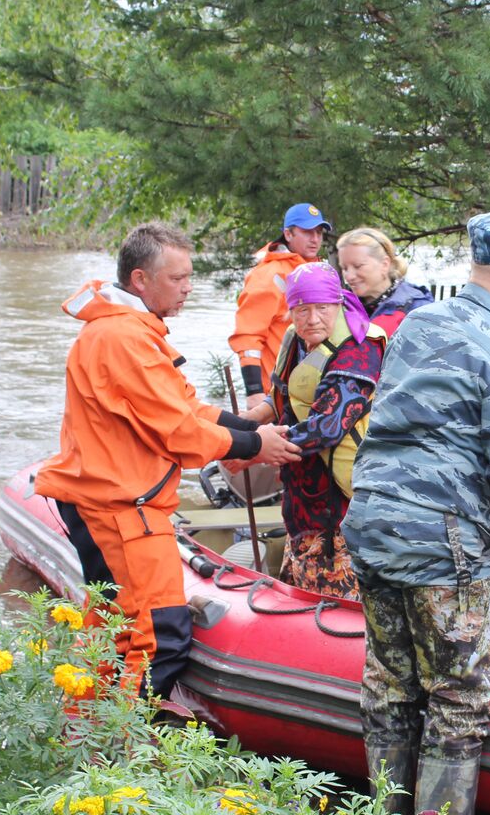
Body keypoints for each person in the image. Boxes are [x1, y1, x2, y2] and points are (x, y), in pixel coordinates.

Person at [343, 210, 490, 815]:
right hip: (445, 543)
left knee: (389, 684)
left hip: (373, 520)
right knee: (458, 696)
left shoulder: (419, 324)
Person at [36, 223, 301, 699]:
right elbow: (178, 431)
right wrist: (254, 448)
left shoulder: (128, 331)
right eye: (178, 278)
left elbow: (184, 410)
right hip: (120, 506)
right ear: (140, 280)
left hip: (115, 499)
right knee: (160, 636)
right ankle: (122, 747)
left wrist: (248, 430)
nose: (188, 288)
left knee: (115, 628)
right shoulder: (124, 339)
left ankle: (85, 739)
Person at [238, 262, 387, 598]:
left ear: (339, 303)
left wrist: (250, 449)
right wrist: (243, 424)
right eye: (301, 309)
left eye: (322, 308)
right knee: (300, 587)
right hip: (302, 490)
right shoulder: (295, 338)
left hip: (345, 498)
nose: (312, 318)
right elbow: (283, 400)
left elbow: (328, 427)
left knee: (336, 598)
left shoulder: (360, 348)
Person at [229, 202, 332, 412]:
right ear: (288, 234)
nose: (315, 239)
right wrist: (254, 391)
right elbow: (248, 337)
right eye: (307, 232)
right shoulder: (269, 275)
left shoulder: (317, 269)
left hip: (310, 388)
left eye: (319, 232)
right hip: (277, 393)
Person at [334, 227, 434, 334]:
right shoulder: (339, 307)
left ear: (385, 264)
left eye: (358, 266)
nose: (349, 276)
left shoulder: (417, 310)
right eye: (344, 268)